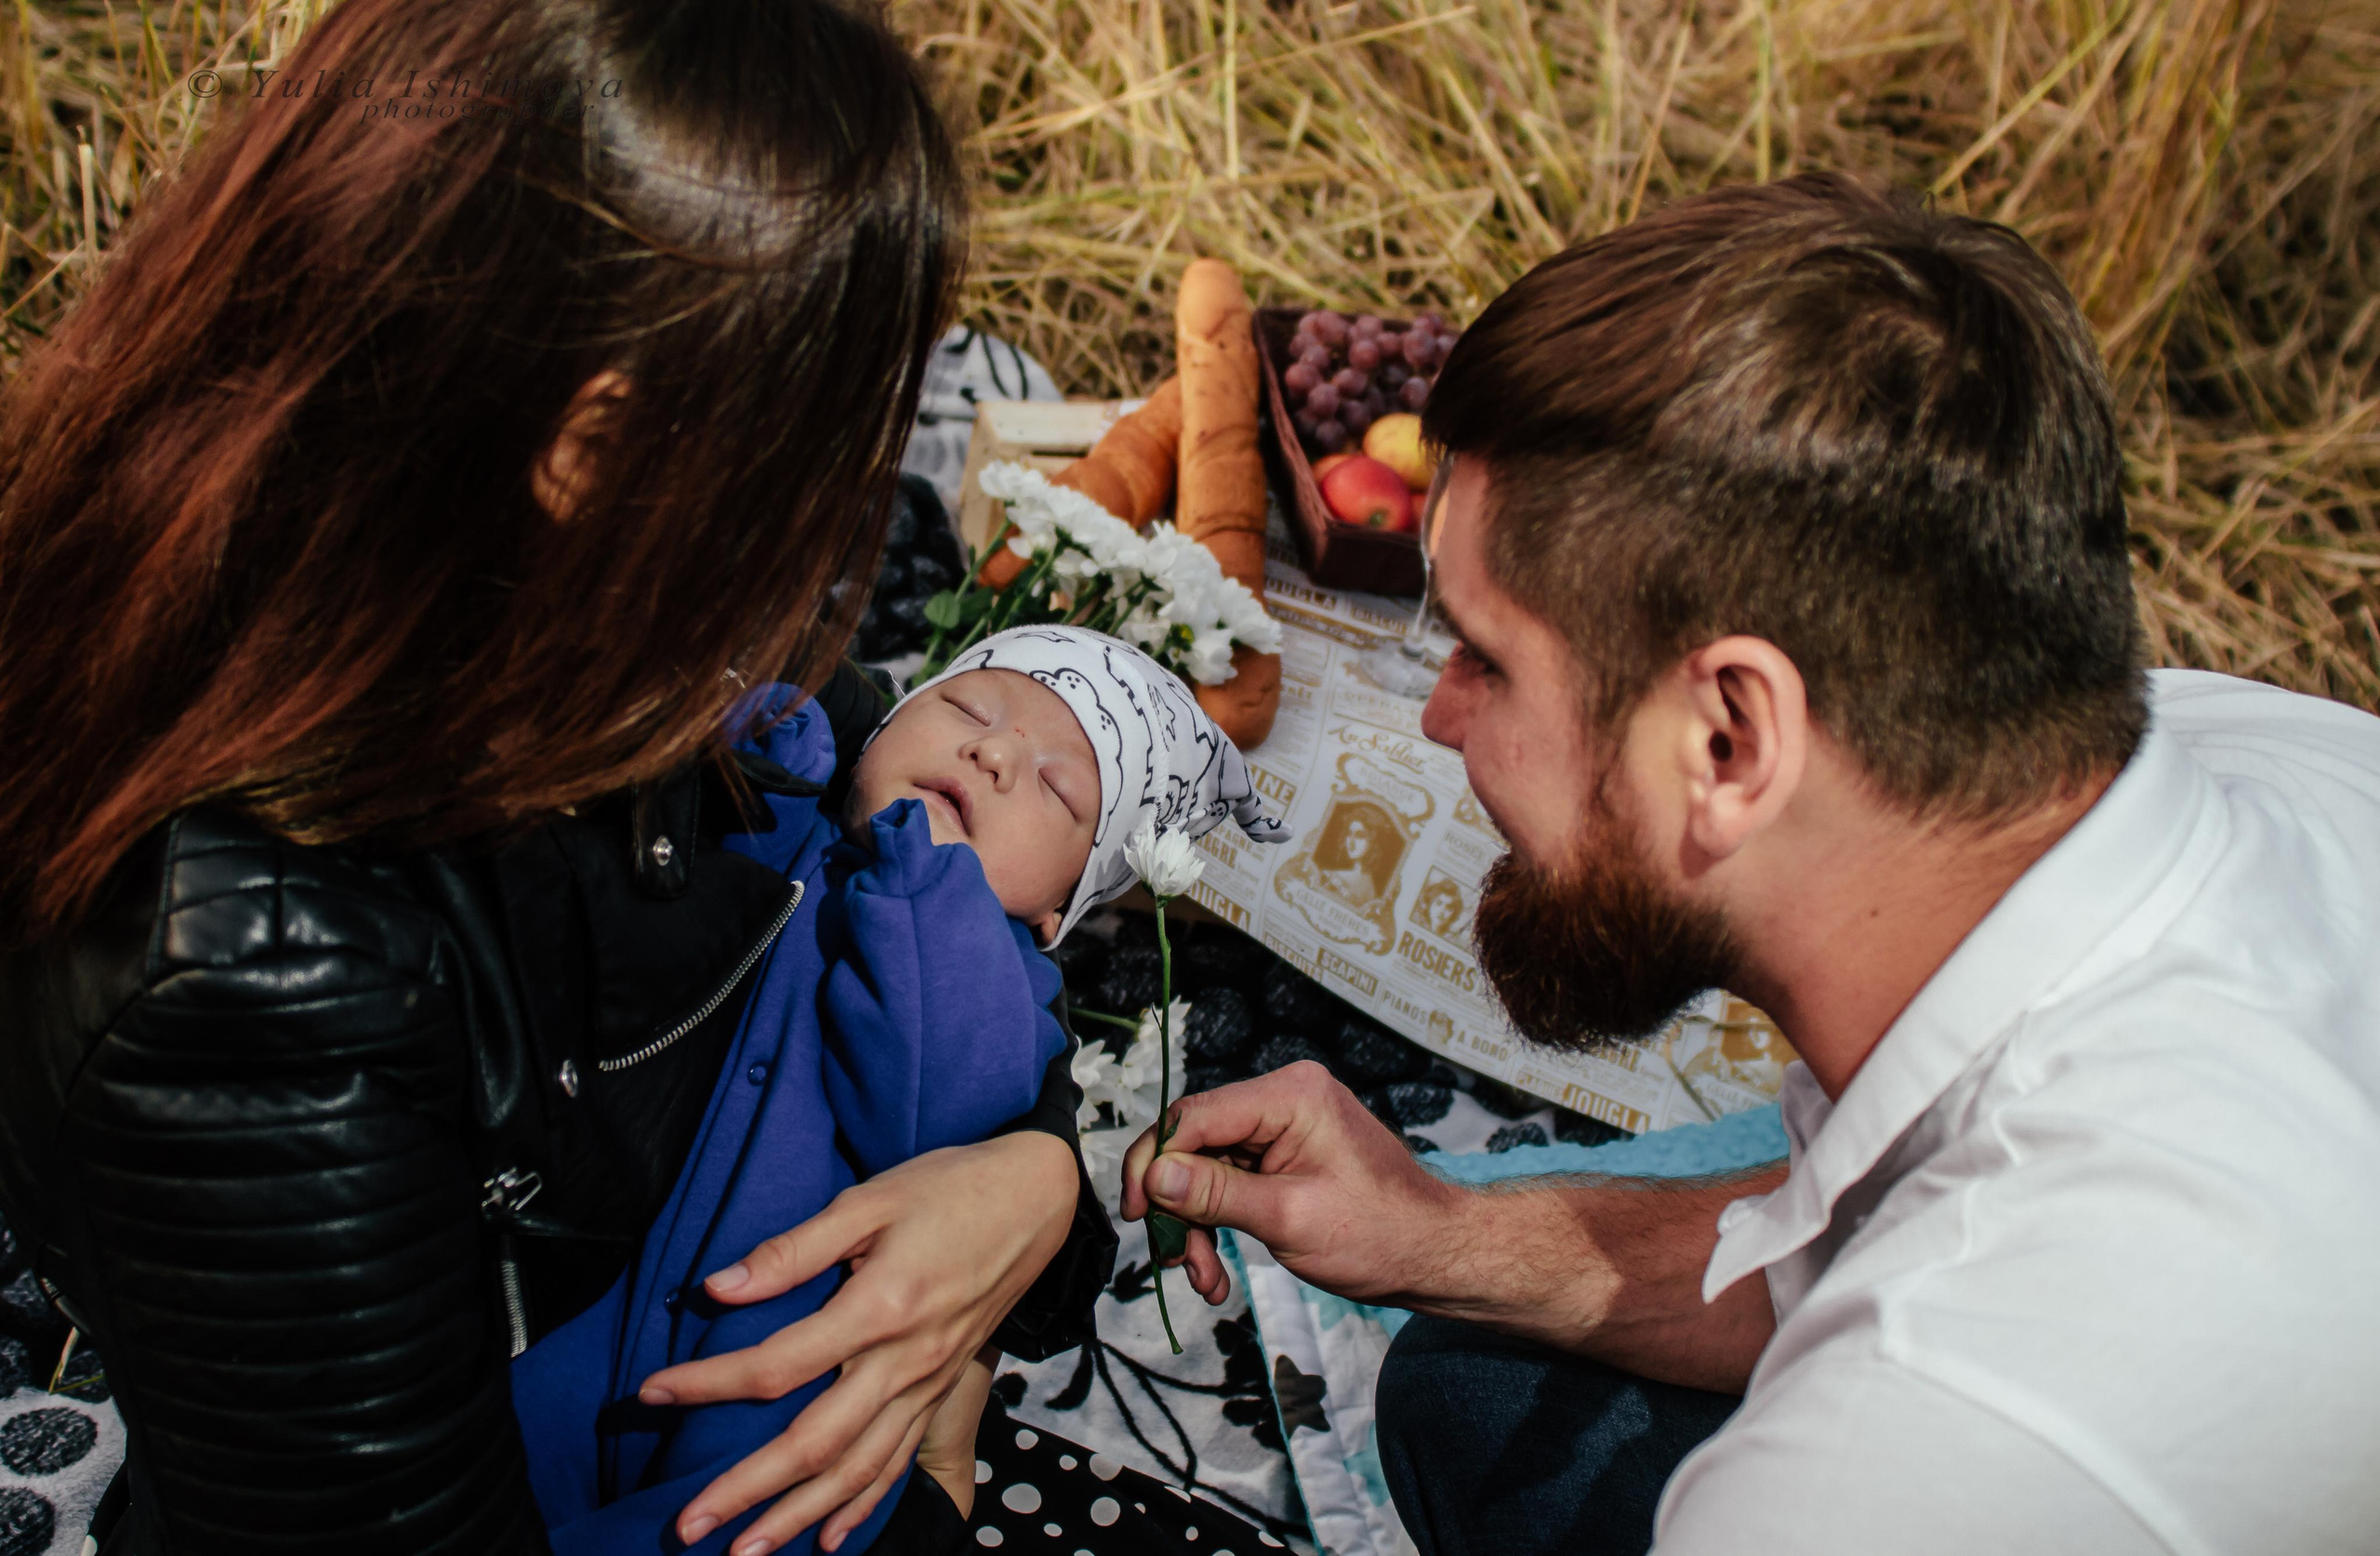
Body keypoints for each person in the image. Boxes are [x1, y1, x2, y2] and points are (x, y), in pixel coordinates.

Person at [1123, 174, 2380, 1555]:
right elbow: (1820, 1240)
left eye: (1486, 655)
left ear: (1729, 737)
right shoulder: (2215, 750)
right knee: (1469, 1388)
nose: (1435, 712)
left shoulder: (1929, 1434)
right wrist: (1436, 1235)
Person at [0, 4, 1113, 1552]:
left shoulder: (630, 622)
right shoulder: (251, 976)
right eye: (840, 422)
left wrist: (1033, 1184)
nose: (863, 496)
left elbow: (923, 868)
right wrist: (926, 1488)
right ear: (602, 449)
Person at [510, 628, 1288, 1555]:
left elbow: (933, 1098)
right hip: (602, 1302)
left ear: (1057, 910)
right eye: (966, 709)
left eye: (1055, 785)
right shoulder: (799, 834)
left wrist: (927, 878)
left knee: (738, 1524)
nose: (993, 753)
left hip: (787, 1380)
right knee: (493, 1459)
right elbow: (732, 739)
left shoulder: (1011, 991)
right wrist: (779, 735)